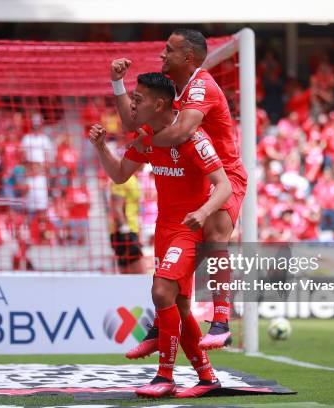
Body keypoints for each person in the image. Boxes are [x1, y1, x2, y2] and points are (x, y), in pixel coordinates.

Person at [90, 72, 231, 398]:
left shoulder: (193, 139)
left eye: (138, 98)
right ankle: (207, 378)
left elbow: (223, 186)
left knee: (161, 291)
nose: (132, 104)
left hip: (189, 229)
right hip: (164, 231)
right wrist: (100, 148)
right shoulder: (149, 136)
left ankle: (164, 376)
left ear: (160, 103)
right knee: (178, 305)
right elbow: (120, 175)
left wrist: (204, 213)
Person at [111, 28, 247, 350]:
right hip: (193, 176)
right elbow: (134, 123)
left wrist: (147, 142)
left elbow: (183, 131)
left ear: (188, 58)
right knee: (175, 283)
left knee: (215, 232)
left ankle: (222, 321)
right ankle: (190, 365)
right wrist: (117, 84)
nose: (162, 55)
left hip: (223, 175)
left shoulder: (202, 85)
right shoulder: (175, 90)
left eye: (168, 50)